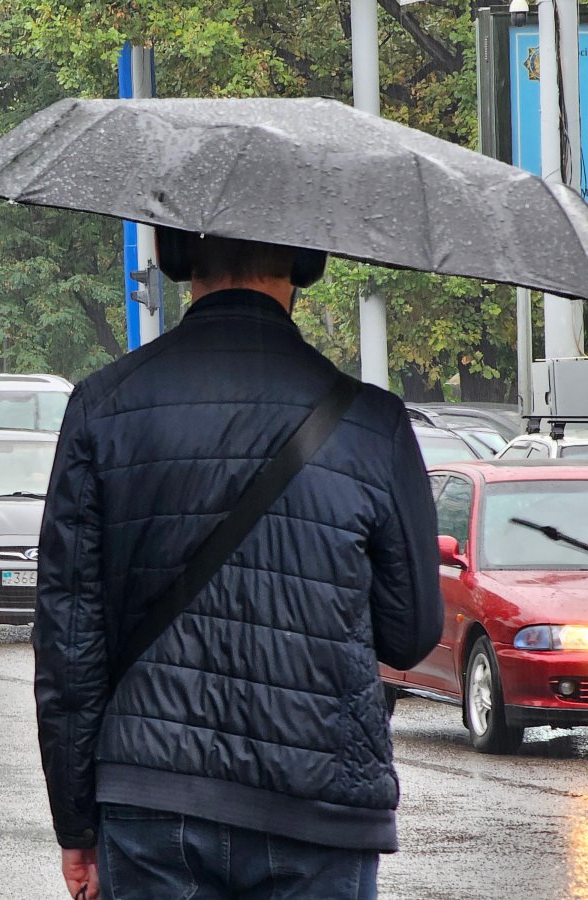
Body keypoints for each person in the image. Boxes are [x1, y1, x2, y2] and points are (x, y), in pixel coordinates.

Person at [33, 233, 443, 900]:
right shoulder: (375, 424)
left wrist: (76, 826)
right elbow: (410, 632)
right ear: (306, 263)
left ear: (176, 259)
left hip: (151, 800)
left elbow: (68, 649)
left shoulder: (101, 408)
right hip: (321, 809)